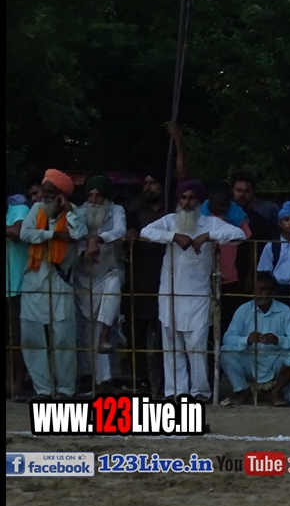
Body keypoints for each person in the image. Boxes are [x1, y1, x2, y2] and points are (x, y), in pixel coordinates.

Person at [139, 180, 246, 400]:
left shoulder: (210, 223)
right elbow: (146, 232)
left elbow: (239, 235)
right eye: (183, 198)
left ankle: (199, 392)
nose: (187, 202)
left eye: (191, 198)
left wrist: (208, 236)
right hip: (169, 293)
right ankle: (175, 391)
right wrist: (173, 237)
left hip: (197, 295)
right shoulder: (170, 221)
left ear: (199, 201)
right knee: (172, 345)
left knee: (196, 345)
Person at [19, 170, 87, 399]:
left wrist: (68, 211)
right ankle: (43, 389)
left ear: (62, 194)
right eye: (44, 191)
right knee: (32, 339)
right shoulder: (37, 209)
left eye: (51, 192)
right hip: (34, 281)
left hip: (61, 282)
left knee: (64, 339)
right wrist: (53, 235)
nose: (45, 196)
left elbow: (80, 233)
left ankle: (66, 389)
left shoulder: (74, 212)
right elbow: (26, 233)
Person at [72, 174, 127, 395]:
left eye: (98, 196)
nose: (94, 200)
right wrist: (85, 248)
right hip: (84, 276)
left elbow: (120, 230)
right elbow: (74, 235)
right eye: (91, 195)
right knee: (88, 331)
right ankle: (97, 381)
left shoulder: (116, 210)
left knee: (114, 283)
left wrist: (98, 239)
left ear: (106, 197)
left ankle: (106, 334)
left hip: (109, 271)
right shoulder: (79, 212)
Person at [219, 275, 290, 407]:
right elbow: (228, 338)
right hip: (249, 359)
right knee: (225, 350)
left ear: (273, 291)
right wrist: (246, 340)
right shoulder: (243, 310)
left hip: (275, 361)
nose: (259, 293)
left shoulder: (284, 311)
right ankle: (242, 391)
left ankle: (276, 391)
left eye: (263, 289)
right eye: (256, 289)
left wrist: (278, 340)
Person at [125, 171, 171, 396]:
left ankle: (163, 383)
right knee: (138, 336)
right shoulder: (135, 212)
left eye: (153, 183)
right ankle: (141, 380)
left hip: (166, 279)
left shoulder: (171, 213)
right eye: (146, 183)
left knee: (164, 337)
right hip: (140, 280)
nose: (148, 187)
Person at [202, 182, 256, 333]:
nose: (223, 208)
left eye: (226, 204)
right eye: (219, 204)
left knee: (228, 322)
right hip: (204, 276)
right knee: (206, 323)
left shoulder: (237, 215)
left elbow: (250, 243)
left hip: (231, 276)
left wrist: (251, 273)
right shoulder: (200, 215)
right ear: (211, 200)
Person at [6, 189, 32, 399]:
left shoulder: (19, 209)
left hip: (16, 285)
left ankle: (18, 382)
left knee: (16, 340)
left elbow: (17, 232)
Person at [232, 170, 280, 240]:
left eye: (247, 191)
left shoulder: (269, 208)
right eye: (239, 190)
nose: (242, 194)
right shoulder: (224, 210)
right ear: (232, 190)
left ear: (253, 192)